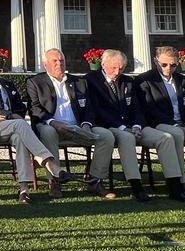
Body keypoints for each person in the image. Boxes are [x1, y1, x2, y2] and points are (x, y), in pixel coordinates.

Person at [0, 49, 74, 203]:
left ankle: (24, 190)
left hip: (12, 127)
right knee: (20, 124)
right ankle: (52, 166)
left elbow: (21, 108)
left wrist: (8, 116)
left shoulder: (8, 84)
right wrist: (6, 115)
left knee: (20, 137)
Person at [26, 48, 117, 198]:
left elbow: (89, 107)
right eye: (54, 61)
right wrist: (52, 122)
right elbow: (34, 108)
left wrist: (87, 123)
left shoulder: (79, 82)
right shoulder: (35, 82)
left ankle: (95, 181)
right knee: (48, 133)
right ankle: (55, 181)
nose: (59, 64)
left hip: (77, 128)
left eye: (61, 60)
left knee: (106, 136)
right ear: (45, 64)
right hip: (50, 126)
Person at [82, 49, 152, 203]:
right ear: (103, 63)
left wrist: (137, 126)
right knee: (126, 137)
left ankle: (177, 182)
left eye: (121, 68)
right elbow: (97, 110)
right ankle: (136, 185)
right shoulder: (90, 80)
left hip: (128, 126)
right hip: (104, 124)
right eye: (114, 67)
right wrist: (122, 128)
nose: (117, 71)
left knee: (162, 137)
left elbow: (136, 107)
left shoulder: (127, 81)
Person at [133, 47, 185, 204]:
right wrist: (180, 127)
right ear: (156, 61)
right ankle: (178, 184)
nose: (169, 68)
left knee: (180, 132)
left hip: (183, 123)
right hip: (159, 123)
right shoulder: (144, 80)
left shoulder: (184, 80)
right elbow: (150, 110)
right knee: (175, 134)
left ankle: (179, 185)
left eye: (173, 65)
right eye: (164, 64)